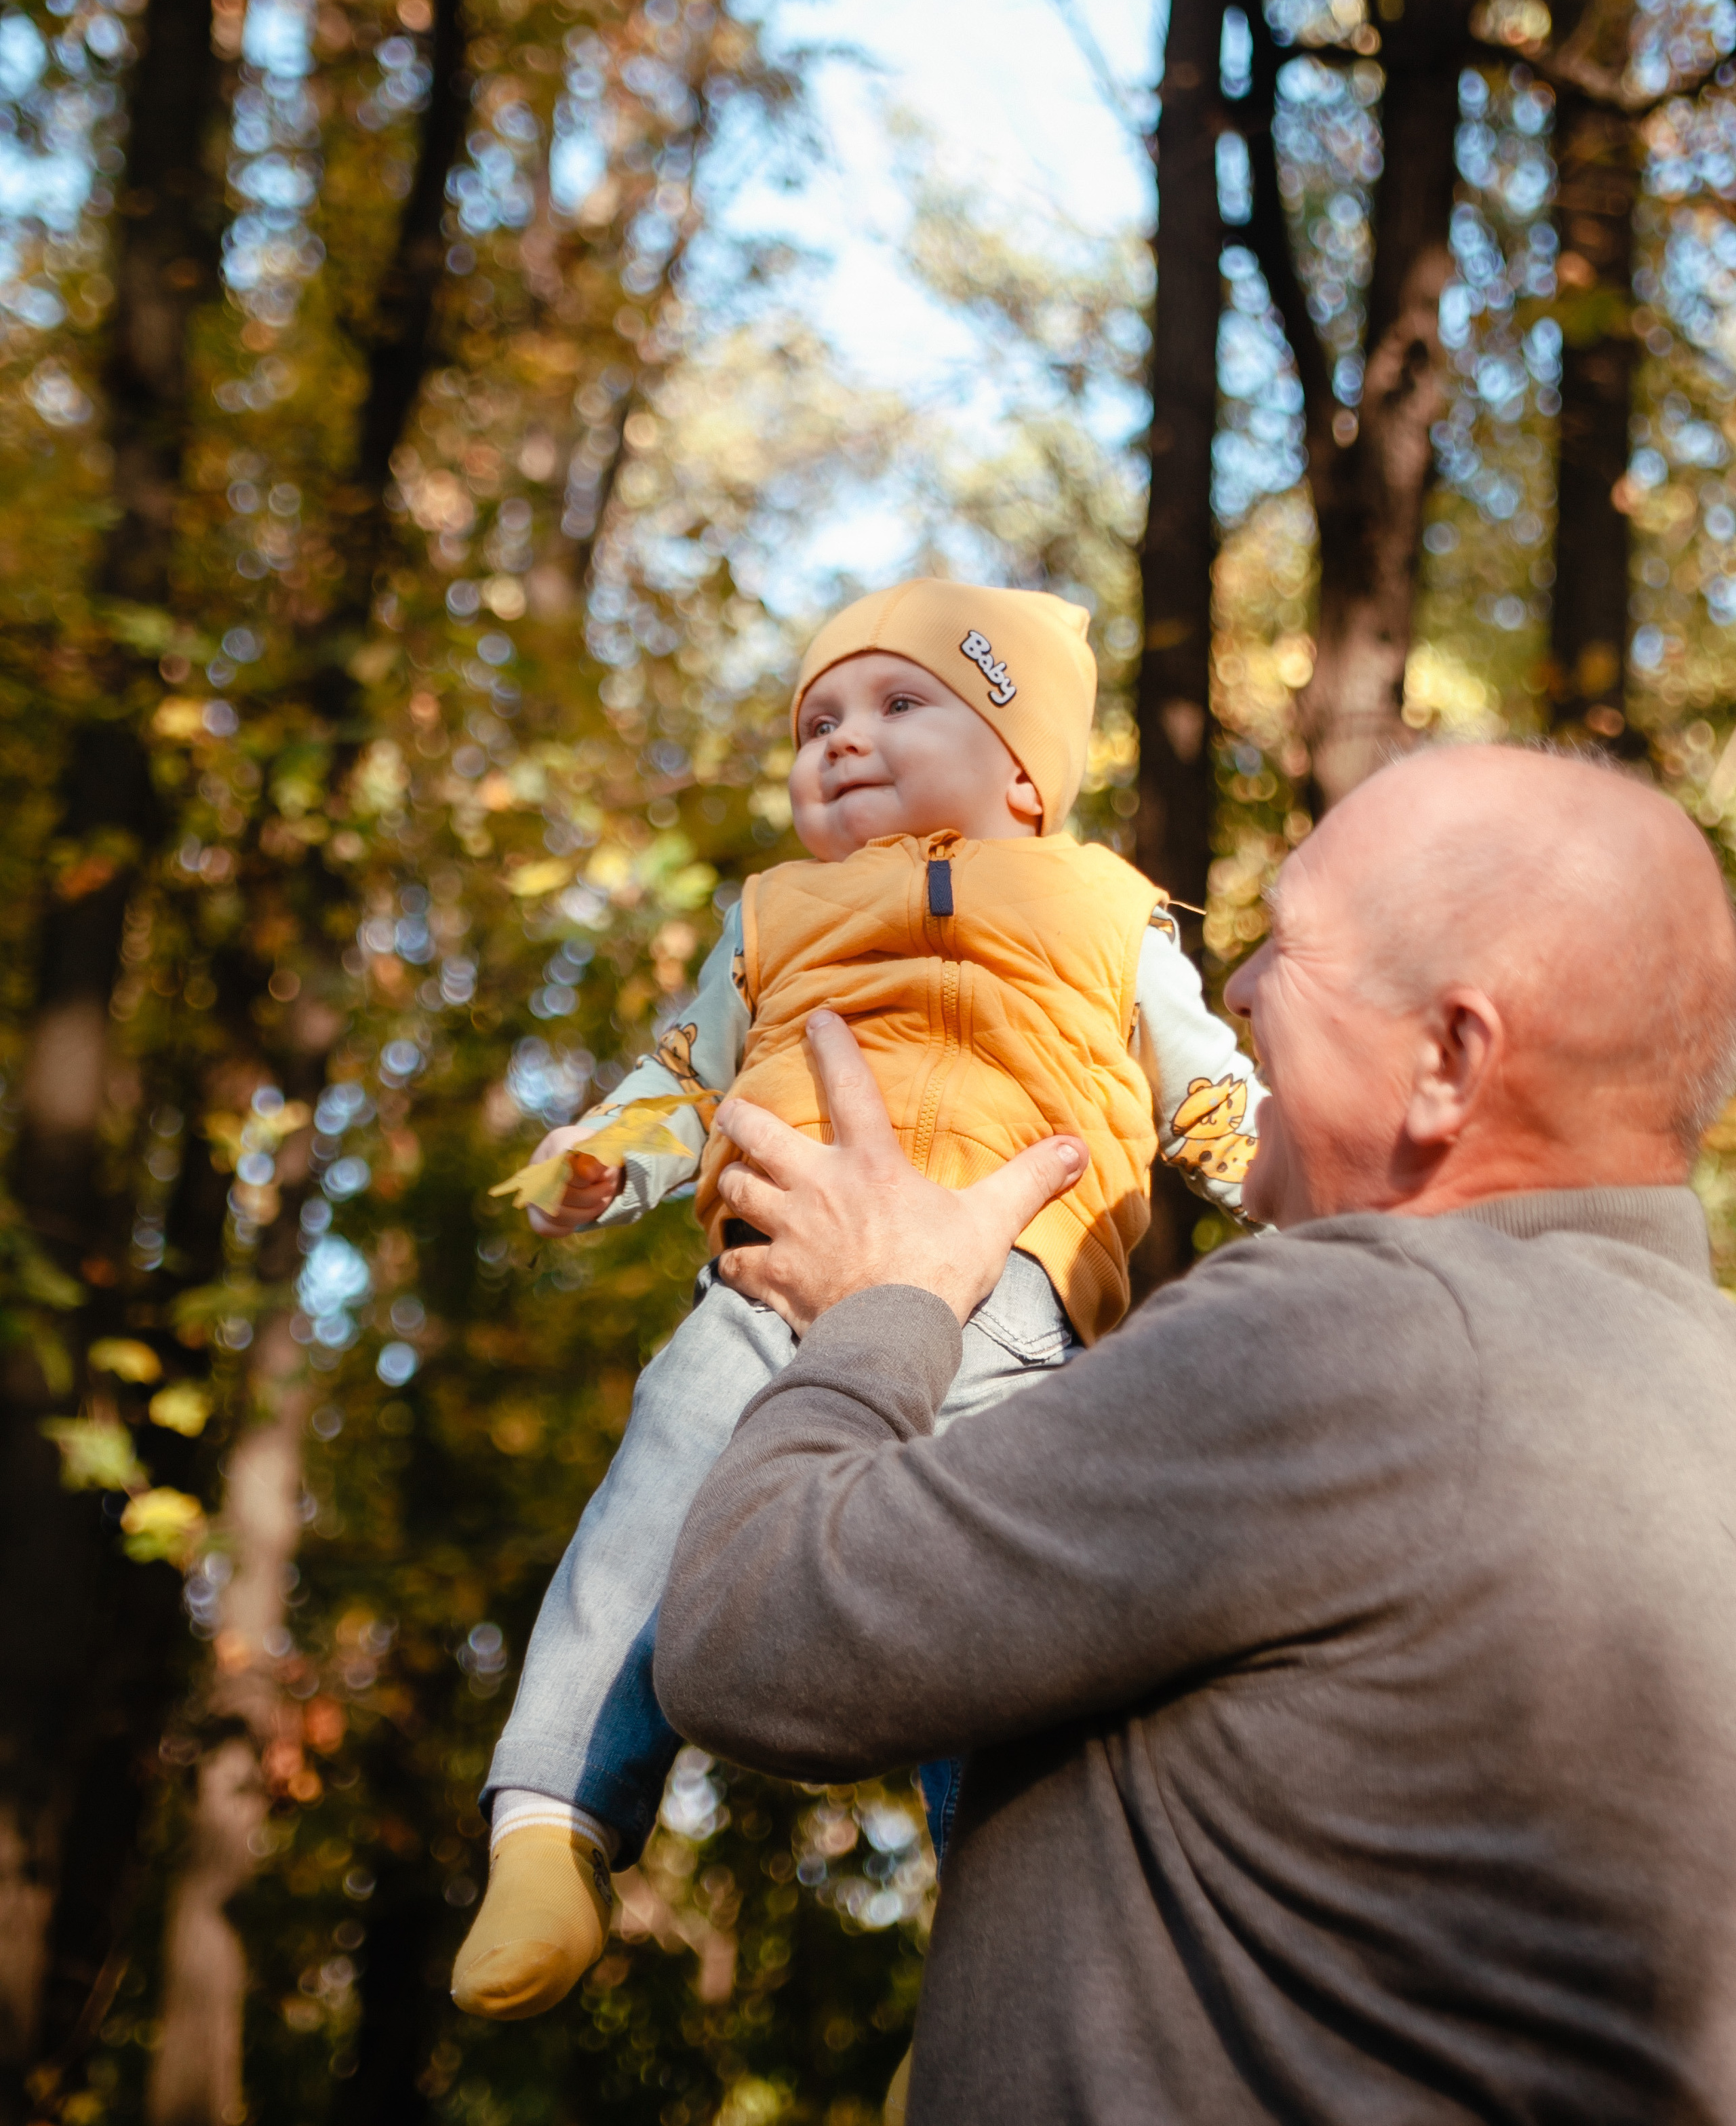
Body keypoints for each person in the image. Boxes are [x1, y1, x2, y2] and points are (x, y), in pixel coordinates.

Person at [654, 743, 1736, 2123]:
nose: (1234, 988)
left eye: (1286, 945)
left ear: (1447, 1062)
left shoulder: (1352, 1335)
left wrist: (887, 1303)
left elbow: (749, 1636)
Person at [452, 578, 1262, 2019]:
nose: (839, 737)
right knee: (659, 1488)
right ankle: (550, 1828)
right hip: (771, 1280)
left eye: (899, 703)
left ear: (1025, 774)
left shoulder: (1102, 905)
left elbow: (1204, 1080)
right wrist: (602, 1159)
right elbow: (684, 1079)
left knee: (998, 1616)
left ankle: (1000, 1981)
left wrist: (1281, 1162)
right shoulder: (774, 915)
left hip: (1015, 1306)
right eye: (814, 719)